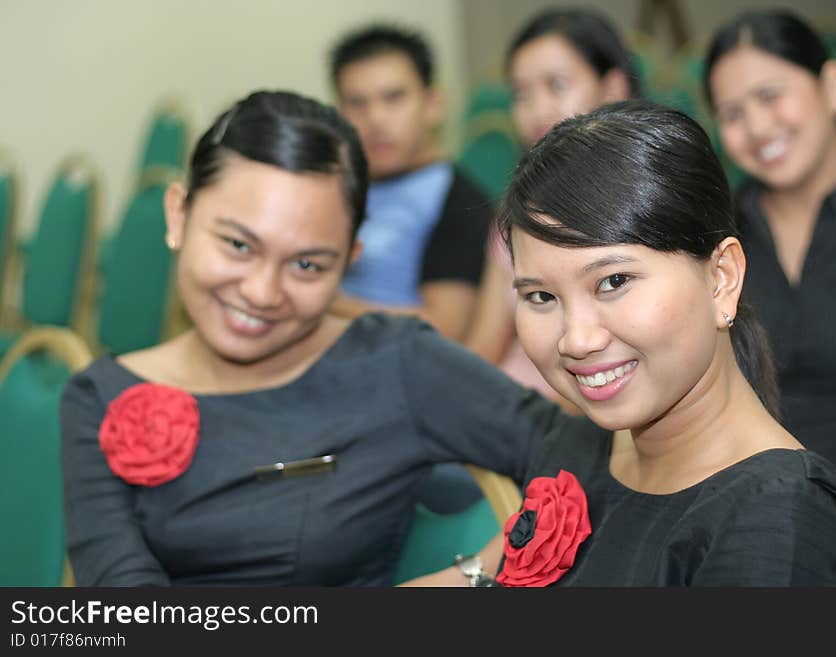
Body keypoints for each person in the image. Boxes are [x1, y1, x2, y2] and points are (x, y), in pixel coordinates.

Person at [59, 90, 594, 586]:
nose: (263, 292)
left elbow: (581, 457)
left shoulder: (394, 362)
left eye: (308, 264)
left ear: (348, 264)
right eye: (238, 246)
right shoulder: (98, 397)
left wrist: (470, 578)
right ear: (178, 215)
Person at [407, 100, 836, 586]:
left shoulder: (778, 524)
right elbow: (489, 575)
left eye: (613, 282)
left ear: (721, 278)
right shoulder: (583, 443)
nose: (577, 339)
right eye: (541, 295)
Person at [703, 9, 836, 509]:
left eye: (770, 96)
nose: (757, 127)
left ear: (832, 87)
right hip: (733, 508)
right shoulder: (711, 243)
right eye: (733, 113)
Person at [464, 7, 639, 413]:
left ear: (613, 87)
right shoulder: (517, 211)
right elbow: (483, 347)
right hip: (510, 406)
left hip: (585, 409)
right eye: (521, 94)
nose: (537, 109)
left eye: (556, 85)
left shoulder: (644, 207)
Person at [327, 24, 491, 343]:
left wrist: (322, 305)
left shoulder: (459, 200)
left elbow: (443, 328)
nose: (376, 119)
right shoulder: (332, 188)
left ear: (433, 104)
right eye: (357, 103)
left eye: (394, 97)